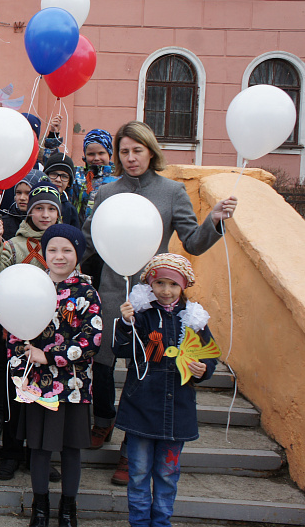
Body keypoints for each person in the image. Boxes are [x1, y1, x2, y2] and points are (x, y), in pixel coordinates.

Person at [82, 121, 237, 486]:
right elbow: (88, 241)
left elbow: (194, 243)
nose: (131, 157)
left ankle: (129, 446)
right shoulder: (107, 192)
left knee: (144, 368)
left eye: (137, 150)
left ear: (151, 151)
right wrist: (54, 262)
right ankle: (103, 421)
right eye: (124, 151)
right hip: (111, 293)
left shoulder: (172, 192)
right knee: (102, 362)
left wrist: (214, 221)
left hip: (158, 297)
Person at [8, 224, 101, 527]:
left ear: (78, 253)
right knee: (38, 448)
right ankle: (40, 507)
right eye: (52, 250)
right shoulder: (33, 286)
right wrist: (23, 355)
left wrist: (48, 356)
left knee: (71, 449)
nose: (59, 256)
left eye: (67, 250)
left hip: (74, 387)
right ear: (44, 252)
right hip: (37, 386)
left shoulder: (86, 291)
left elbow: (91, 341)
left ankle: (68, 509)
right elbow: (13, 332)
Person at [114, 254, 216, 527]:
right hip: (142, 409)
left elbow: (209, 355)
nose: (166, 290)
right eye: (160, 283)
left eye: (173, 284)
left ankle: (161, 523)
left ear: (183, 286)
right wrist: (125, 324)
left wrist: (204, 369)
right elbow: (121, 349)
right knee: (137, 474)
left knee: (168, 474)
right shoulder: (142, 315)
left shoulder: (194, 318)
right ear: (150, 283)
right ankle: (138, 522)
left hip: (177, 411)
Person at [0, 183, 63, 482]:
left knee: (43, 397)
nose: (44, 214)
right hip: (12, 332)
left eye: (51, 209)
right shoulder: (15, 244)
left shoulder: (63, 245)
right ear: (29, 211)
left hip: (50, 336)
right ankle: (11, 453)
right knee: (13, 394)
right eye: (38, 208)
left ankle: (38, 456)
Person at [74, 129, 117, 222]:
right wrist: (53, 136)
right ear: (85, 155)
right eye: (91, 154)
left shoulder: (118, 179)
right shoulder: (77, 176)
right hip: (79, 232)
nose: (96, 158)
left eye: (101, 153)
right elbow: (55, 169)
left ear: (109, 154)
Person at [43, 153, 82, 229]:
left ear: (69, 183)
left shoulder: (70, 210)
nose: (58, 180)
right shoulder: (35, 202)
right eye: (54, 174)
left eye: (64, 176)